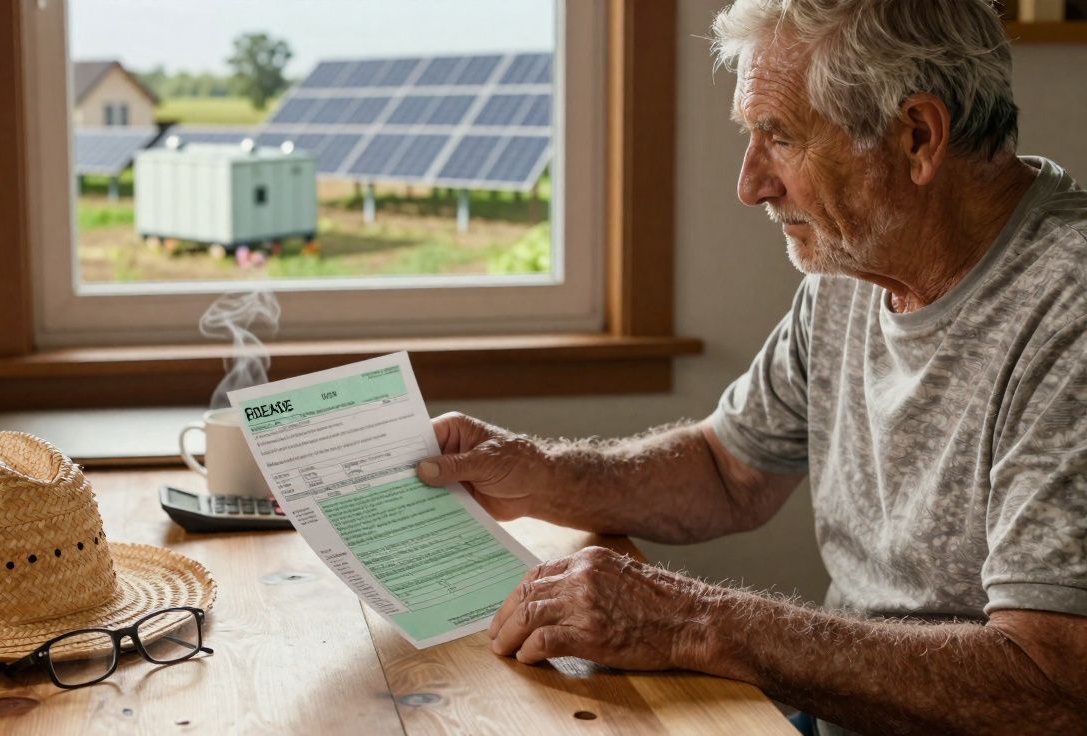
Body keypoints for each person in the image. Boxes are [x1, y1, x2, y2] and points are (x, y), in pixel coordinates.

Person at [415, 1, 1087, 733]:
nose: (752, 184)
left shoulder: (1069, 310)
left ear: (918, 137)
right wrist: (535, 471)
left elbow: (1050, 679)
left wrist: (696, 624)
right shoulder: (852, 269)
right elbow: (726, 470)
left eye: (781, 137)